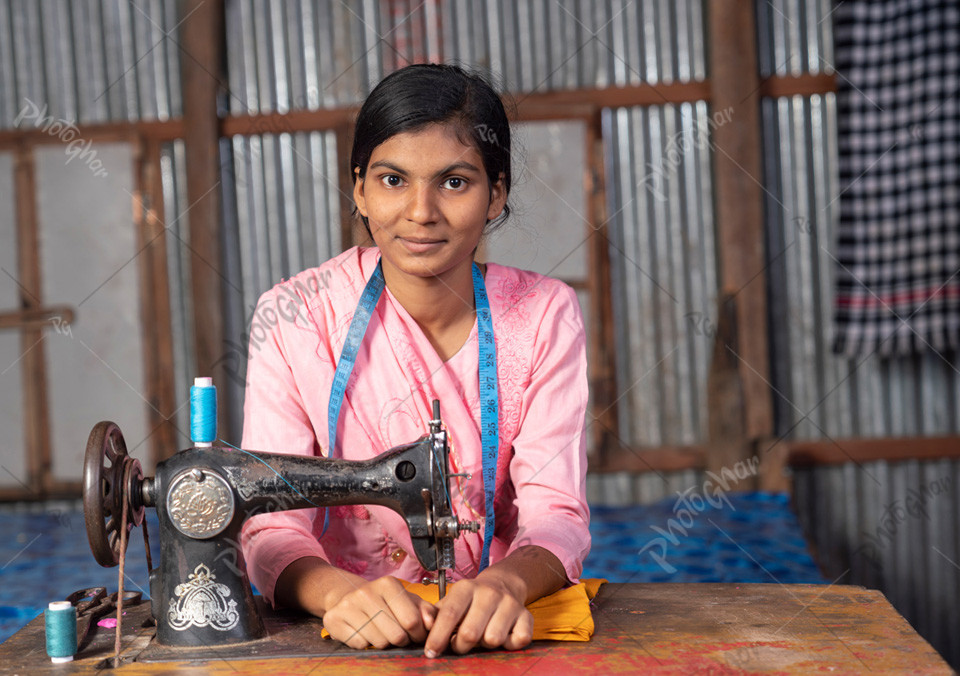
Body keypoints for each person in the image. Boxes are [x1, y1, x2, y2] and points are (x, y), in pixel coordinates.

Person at [239, 63, 590, 658]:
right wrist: (336, 592)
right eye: (393, 179)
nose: (421, 212)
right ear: (360, 189)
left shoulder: (542, 315)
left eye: (454, 182)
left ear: (496, 193)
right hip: (342, 627)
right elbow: (269, 521)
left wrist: (505, 584)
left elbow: (555, 513)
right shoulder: (297, 315)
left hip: (489, 623)